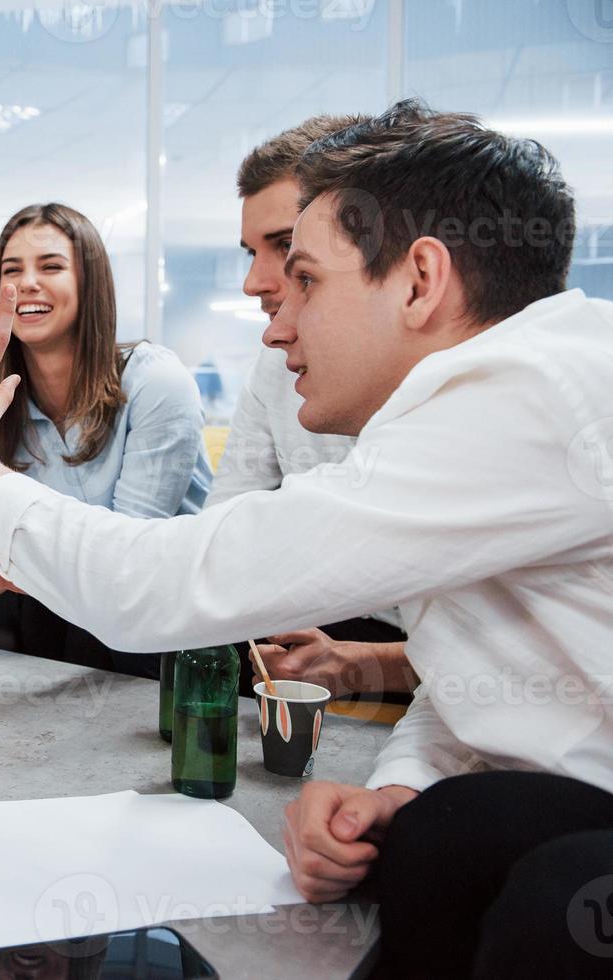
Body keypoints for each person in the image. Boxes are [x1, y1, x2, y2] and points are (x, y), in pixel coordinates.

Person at [0, 99, 613, 974]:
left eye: (307, 279)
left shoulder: (529, 398)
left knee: (550, 892)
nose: (272, 310)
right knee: (443, 833)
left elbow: (169, 583)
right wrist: (398, 785)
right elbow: (480, 662)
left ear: (421, 280)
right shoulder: (504, 394)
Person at [0, 204, 211, 676]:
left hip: (151, 602)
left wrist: (12, 560)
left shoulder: (157, 383)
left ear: (88, 283)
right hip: (54, 595)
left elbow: (122, 559)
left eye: (50, 266)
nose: (28, 283)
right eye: (12, 270)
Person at [210, 115, 415, 699]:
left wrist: (357, 664)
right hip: (309, 623)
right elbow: (224, 530)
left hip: (390, 646)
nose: (253, 282)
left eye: (286, 248)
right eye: (254, 250)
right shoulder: (274, 364)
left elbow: (490, 656)